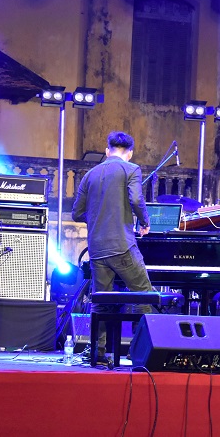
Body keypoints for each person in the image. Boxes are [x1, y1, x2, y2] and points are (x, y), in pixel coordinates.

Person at [72, 131, 154, 363]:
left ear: (107, 151)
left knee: (101, 300)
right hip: (122, 246)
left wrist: (96, 218)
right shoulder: (131, 169)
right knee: (144, 295)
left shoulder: (90, 175)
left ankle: (97, 352)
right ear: (130, 153)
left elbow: (77, 213)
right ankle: (139, 351)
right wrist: (144, 222)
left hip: (97, 249)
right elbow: (136, 199)